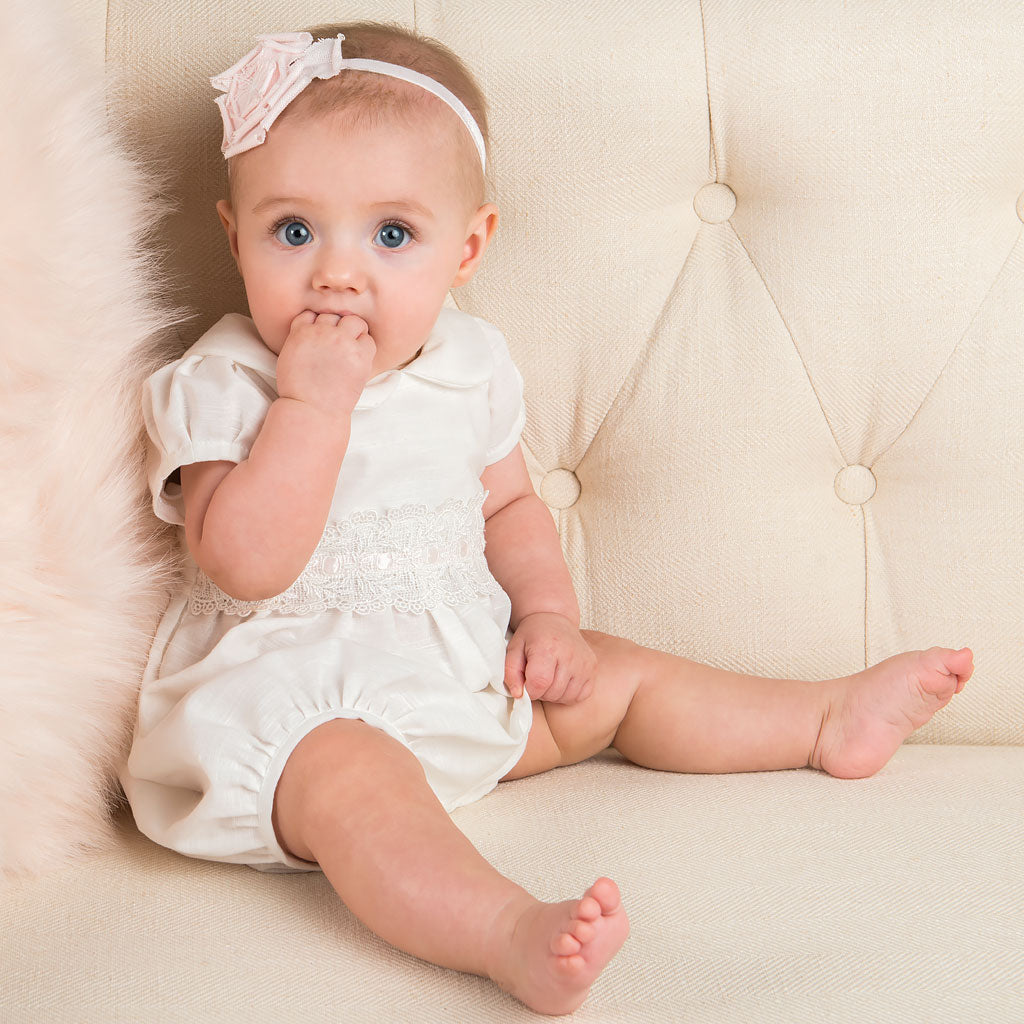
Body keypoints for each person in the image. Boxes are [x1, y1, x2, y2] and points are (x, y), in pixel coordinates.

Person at [119, 22, 974, 1015]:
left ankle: (819, 717)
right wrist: (312, 408)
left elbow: (511, 506)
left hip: (457, 684)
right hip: (288, 711)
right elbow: (241, 562)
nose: (336, 274)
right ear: (235, 235)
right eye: (293, 231)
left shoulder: (471, 365)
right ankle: (501, 928)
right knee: (354, 777)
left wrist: (548, 619)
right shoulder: (223, 379)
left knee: (615, 673)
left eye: (391, 235)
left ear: (467, 245)